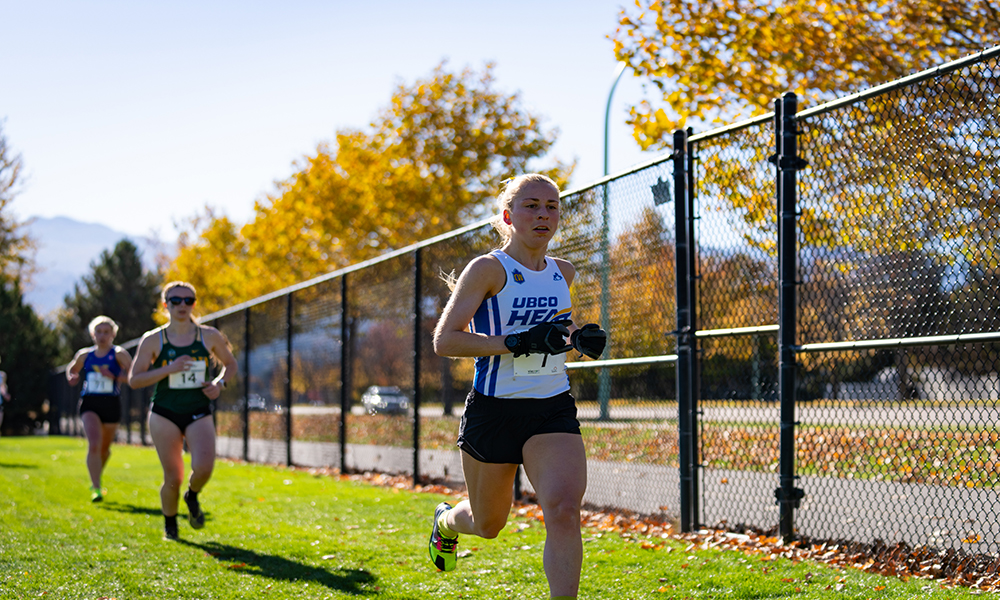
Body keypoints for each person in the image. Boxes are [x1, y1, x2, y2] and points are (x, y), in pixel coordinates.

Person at [430, 174, 607, 599]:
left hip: (551, 407)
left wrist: (578, 339)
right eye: (532, 205)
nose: (543, 214)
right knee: (488, 525)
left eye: (552, 206)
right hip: (494, 410)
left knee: (564, 511)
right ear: (509, 216)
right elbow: (445, 340)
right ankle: (445, 523)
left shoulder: (563, 271)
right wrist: (513, 343)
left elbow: (554, 334)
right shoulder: (488, 269)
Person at [128, 281, 238, 540]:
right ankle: (170, 524)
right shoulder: (153, 339)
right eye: (175, 301)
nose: (182, 305)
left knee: (204, 467)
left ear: (194, 304)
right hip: (164, 412)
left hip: (199, 409)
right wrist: (169, 368)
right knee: (173, 476)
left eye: (188, 300)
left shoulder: (209, 335)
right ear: (166, 305)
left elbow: (230, 364)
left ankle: (193, 495)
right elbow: (134, 379)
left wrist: (219, 383)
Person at [66, 316, 133, 502]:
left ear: (113, 334)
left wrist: (115, 376)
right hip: (90, 402)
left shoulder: (119, 354)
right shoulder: (84, 355)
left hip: (111, 404)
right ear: (92, 334)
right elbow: (72, 369)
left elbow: (134, 377)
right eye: (98, 331)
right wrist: (72, 377)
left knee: (104, 449)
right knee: (94, 444)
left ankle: (96, 474)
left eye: (106, 332)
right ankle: (96, 487)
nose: (102, 335)